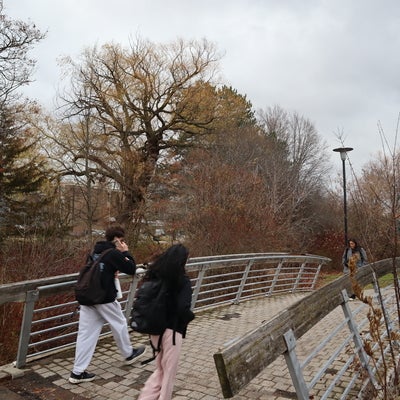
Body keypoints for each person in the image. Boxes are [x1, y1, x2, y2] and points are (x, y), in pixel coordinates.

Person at [69, 225, 146, 384]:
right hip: (103, 297)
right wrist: (125, 252)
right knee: (119, 323)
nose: (123, 243)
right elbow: (131, 268)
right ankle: (128, 353)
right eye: (122, 240)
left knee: (86, 334)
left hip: (88, 298)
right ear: (117, 240)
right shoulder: (113, 253)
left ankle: (77, 372)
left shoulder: (95, 251)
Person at [137, 243, 195, 400]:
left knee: (160, 369)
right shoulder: (182, 280)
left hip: (155, 329)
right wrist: (190, 317)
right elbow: (183, 308)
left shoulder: (157, 275)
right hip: (173, 332)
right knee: (169, 373)